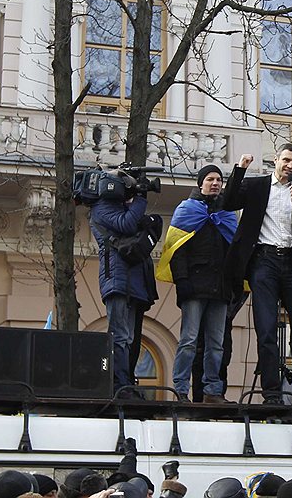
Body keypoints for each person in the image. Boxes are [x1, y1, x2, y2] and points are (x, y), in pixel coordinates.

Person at [223, 146, 292, 406]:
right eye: (286, 160)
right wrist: (240, 169)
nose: (290, 166)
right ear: (276, 160)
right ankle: (272, 396)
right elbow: (227, 202)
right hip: (264, 262)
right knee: (266, 331)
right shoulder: (257, 186)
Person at [162, 164, 237, 404]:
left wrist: (234, 284)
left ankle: (212, 391)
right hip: (194, 287)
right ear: (200, 183)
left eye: (219, 180)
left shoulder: (227, 214)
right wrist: (182, 281)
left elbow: (234, 250)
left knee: (216, 344)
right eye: (210, 179)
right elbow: (176, 250)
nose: (215, 183)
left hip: (220, 288)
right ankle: (181, 389)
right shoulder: (186, 210)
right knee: (189, 341)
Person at [91, 178, 158, 397]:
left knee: (129, 337)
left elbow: (144, 225)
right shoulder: (102, 208)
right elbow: (127, 224)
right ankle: (119, 385)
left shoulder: (121, 209)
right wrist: (141, 198)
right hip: (117, 280)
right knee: (119, 335)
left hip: (133, 282)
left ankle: (126, 381)